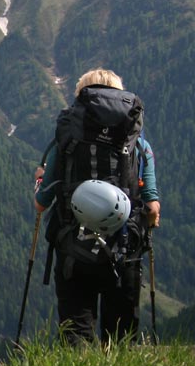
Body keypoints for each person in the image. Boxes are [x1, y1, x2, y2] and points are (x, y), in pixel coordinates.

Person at [34, 68, 159, 345]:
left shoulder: (65, 141)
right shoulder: (139, 145)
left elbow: (42, 203)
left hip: (72, 248)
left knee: (76, 333)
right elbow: (151, 206)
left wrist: (40, 180)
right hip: (125, 250)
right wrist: (147, 224)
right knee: (121, 337)